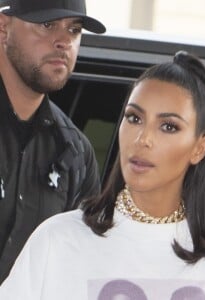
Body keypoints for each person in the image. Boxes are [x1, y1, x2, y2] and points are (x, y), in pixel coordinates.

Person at [0, 51, 205, 300]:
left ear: (200, 148)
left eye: (168, 126)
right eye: (134, 118)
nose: (143, 138)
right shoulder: (60, 240)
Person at [0, 0, 105, 283]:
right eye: (47, 25)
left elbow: (76, 273)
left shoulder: (75, 154)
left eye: (74, 29)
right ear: (3, 27)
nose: (63, 41)